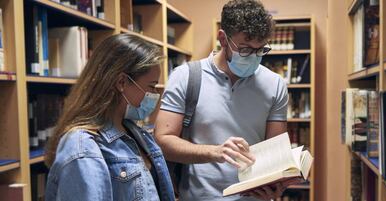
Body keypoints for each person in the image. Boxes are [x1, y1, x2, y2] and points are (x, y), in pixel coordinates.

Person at [155, 0, 303, 201]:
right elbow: (162, 140)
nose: (253, 57)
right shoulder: (186, 77)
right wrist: (215, 152)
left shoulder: (275, 84)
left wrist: (277, 184)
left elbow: (275, 150)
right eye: (245, 49)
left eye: (260, 50)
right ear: (223, 39)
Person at [44, 34, 175, 201]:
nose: (155, 94)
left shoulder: (133, 131)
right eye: (151, 86)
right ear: (121, 82)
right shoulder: (83, 148)